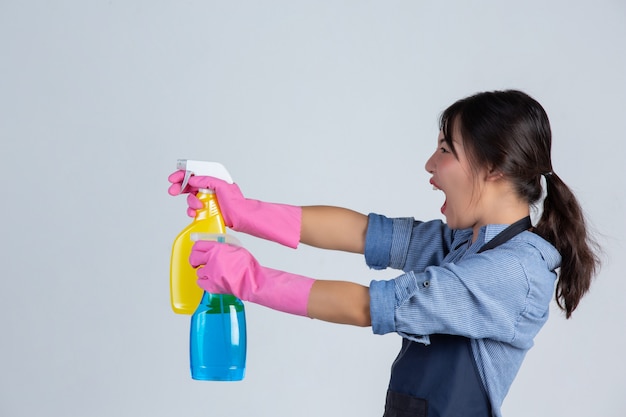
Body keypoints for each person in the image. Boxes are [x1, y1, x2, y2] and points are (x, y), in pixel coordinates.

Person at [168, 90, 600, 417]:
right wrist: (243, 211)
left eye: (446, 150)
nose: (430, 165)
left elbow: (368, 306)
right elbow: (365, 232)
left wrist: (253, 281)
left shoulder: (513, 271)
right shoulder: (467, 244)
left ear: (495, 167)